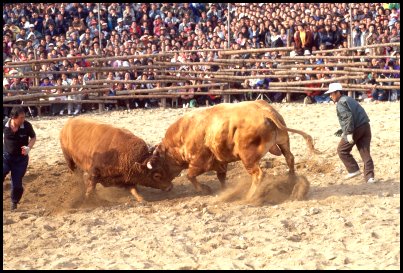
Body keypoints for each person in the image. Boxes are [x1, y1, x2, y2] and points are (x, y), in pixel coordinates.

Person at [324, 83, 376, 184]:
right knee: (365, 152)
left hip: (355, 129)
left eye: (331, 94)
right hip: (365, 127)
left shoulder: (341, 103)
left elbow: (348, 118)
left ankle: (353, 169)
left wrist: (348, 133)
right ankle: (370, 177)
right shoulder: (349, 99)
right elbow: (356, 114)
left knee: (341, 150)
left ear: (337, 92)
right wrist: (343, 130)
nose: (330, 96)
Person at [3, 106, 37, 211]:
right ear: (13, 117)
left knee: (17, 184)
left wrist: (29, 148)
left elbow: (33, 137)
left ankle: (14, 202)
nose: (23, 119)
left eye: (24, 117)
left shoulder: (26, 126)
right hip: (6, 156)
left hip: (21, 160)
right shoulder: (4, 123)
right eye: (21, 117)